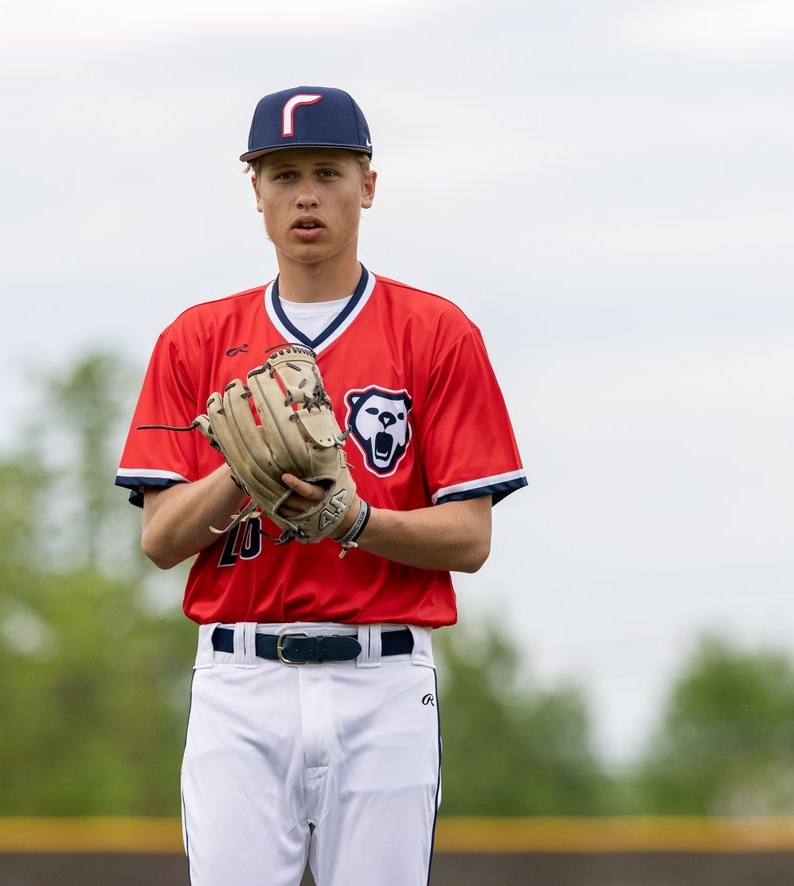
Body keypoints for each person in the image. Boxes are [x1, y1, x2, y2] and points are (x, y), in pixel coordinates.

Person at [116, 85, 526, 886]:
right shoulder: (196, 338)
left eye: (328, 173)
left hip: (384, 678)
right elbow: (160, 540)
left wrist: (354, 521)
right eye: (284, 175)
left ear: (367, 185)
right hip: (240, 680)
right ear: (257, 193)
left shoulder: (436, 333)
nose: (306, 195)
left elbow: (471, 538)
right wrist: (243, 472)